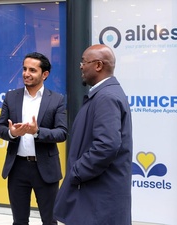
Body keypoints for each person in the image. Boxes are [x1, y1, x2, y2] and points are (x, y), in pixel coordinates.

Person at [54, 44, 133, 225]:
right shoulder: (105, 94)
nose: (81, 66)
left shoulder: (106, 97)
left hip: (97, 198)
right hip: (96, 196)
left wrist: (77, 172)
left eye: (84, 62)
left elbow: (107, 145)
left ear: (98, 65)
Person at [0, 52, 67, 225]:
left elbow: (62, 132)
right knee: (19, 221)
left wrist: (37, 132)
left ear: (45, 74)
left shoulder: (57, 100)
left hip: (45, 169)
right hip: (17, 167)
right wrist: (12, 133)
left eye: (32, 70)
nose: (26, 73)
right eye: (25, 69)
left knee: (49, 221)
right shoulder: (11, 97)